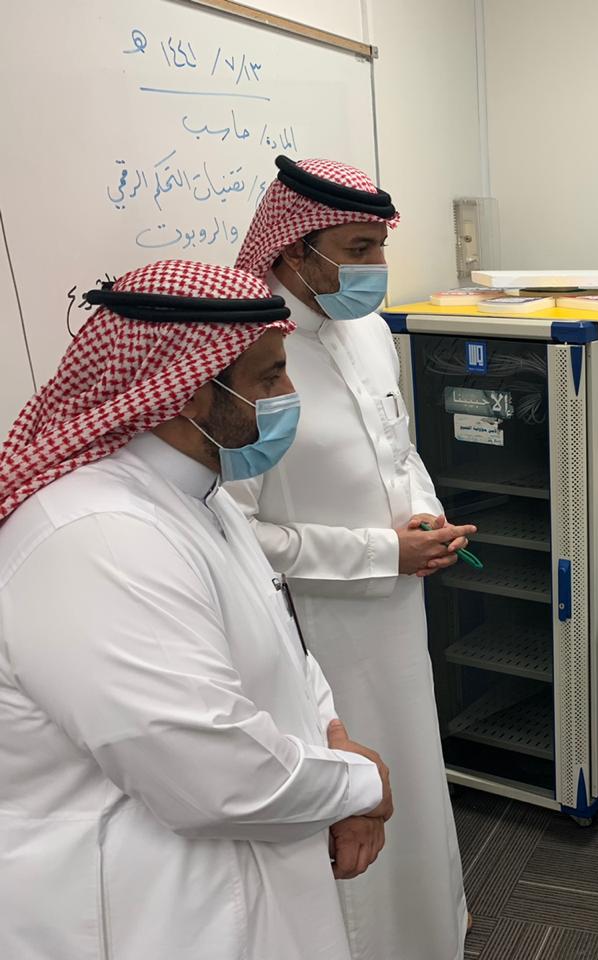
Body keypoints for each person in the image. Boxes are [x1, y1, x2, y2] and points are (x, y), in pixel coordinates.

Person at [0, 260, 394, 959]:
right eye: (269, 379)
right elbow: (209, 774)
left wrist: (330, 730)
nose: (288, 396)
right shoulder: (97, 538)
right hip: (155, 910)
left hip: (252, 863)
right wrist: (360, 785)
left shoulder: (194, 492)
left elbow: (280, 638)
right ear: (186, 393)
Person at [229, 155, 471, 960]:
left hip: (397, 605)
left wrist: (424, 515)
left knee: (413, 771)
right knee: (348, 796)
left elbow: (398, 446)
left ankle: (435, 928)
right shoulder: (247, 361)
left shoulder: (368, 330)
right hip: (315, 627)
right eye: (358, 249)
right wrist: (380, 552)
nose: (377, 266)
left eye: (380, 246)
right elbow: (236, 536)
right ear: (294, 249)